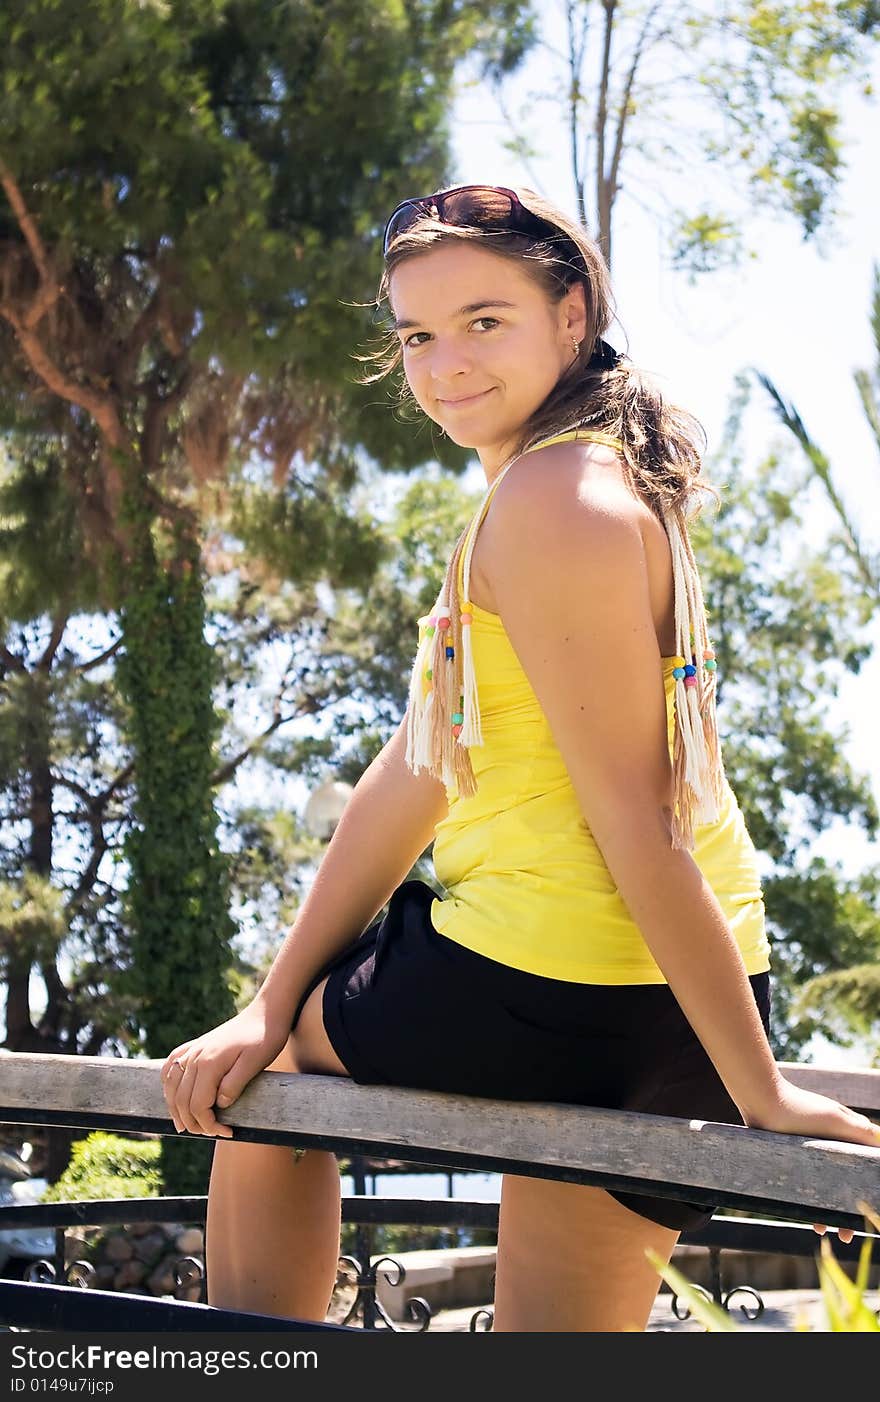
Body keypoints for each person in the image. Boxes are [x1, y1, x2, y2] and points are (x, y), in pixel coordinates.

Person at [161, 183, 880, 1332]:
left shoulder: (555, 499)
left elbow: (632, 818)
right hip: (675, 1011)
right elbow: (415, 773)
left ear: (571, 313)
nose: (443, 363)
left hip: (545, 987)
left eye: (482, 320)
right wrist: (268, 991)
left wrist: (766, 1094)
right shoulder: (587, 483)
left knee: (272, 1078)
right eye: (416, 335)